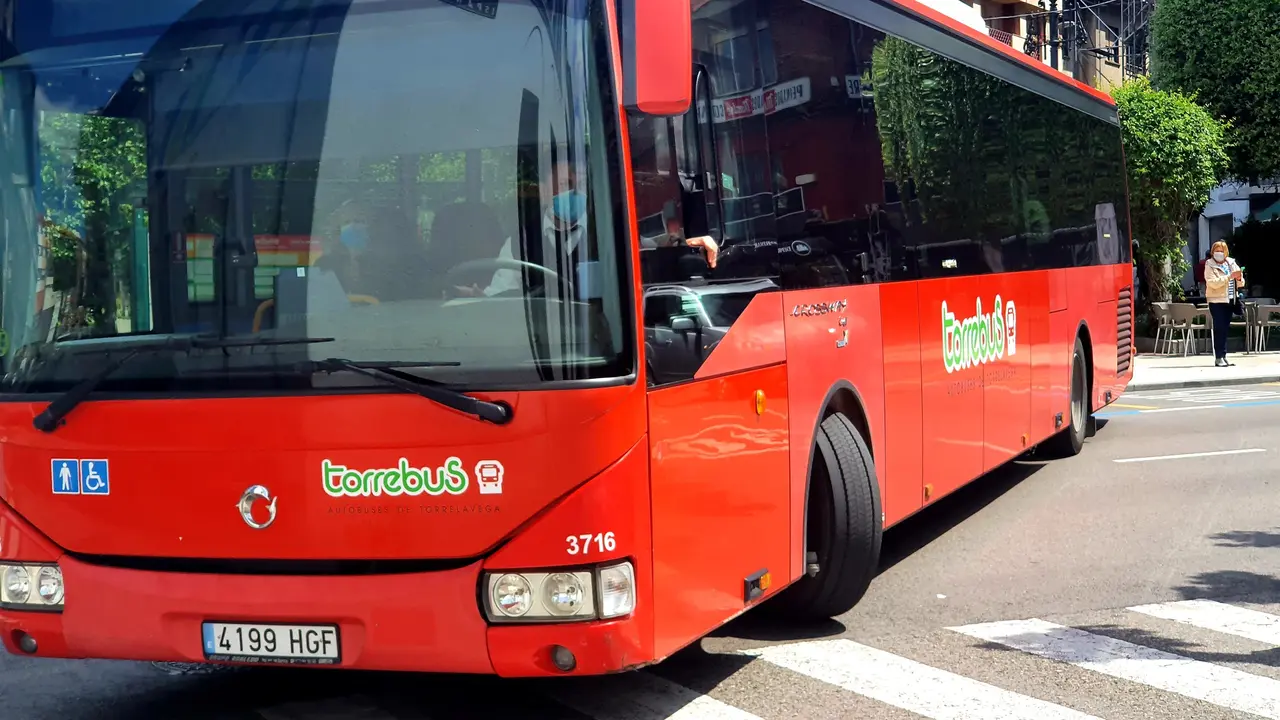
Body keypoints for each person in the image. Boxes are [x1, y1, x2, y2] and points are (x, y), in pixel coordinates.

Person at [1204, 240, 1244, 367]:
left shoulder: (1231, 263)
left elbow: (1241, 283)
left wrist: (1238, 278)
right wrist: (1229, 277)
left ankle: (1224, 356)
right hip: (1216, 300)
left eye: (1221, 251)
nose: (1219, 253)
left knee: (1225, 329)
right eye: (1216, 251)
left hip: (1230, 299)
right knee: (1219, 328)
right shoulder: (1209, 264)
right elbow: (1212, 283)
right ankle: (1219, 357)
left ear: (1225, 252)